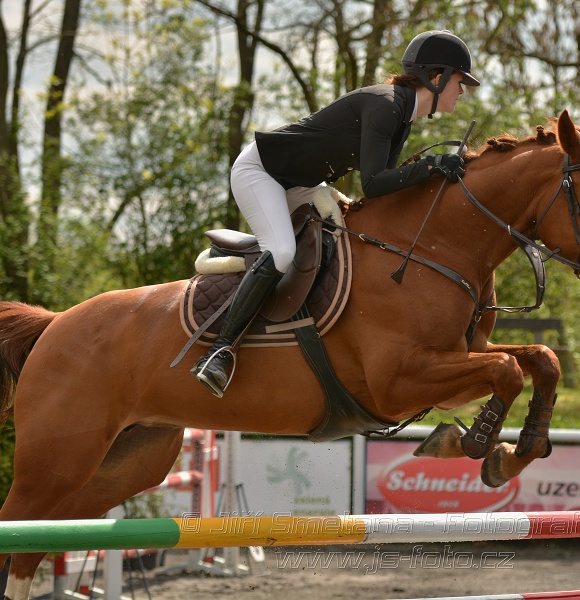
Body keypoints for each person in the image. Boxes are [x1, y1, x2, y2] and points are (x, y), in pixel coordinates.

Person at [191, 30, 481, 397]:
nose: (462, 91)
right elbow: (373, 184)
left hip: (301, 183)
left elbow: (385, 190)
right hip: (261, 172)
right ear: (437, 77)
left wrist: (435, 173)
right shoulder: (386, 106)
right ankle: (219, 352)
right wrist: (431, 165)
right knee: (282, 251)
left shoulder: (401, 118)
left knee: (345, 239)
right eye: (460, 81)